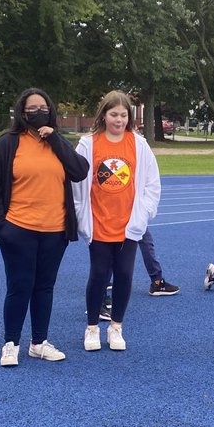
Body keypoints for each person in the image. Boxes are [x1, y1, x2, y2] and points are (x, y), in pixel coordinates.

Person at [0, 88, 89, 367]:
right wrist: (0, 224)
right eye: (31, 109)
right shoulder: (8, 143)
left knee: (44, 287)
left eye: (42, 107)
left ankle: (39, 342)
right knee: (19, 286)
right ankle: (11, 343)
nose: (37, 112)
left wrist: (54, 137)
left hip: (55, 230)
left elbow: (80, 171)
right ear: (21, 112)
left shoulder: (58, 143)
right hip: (18, 228)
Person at [73, 91, 161, 352]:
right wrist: (81, 217)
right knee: (99, 275)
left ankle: (116, 327)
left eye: (123, 115)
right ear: (104, 115)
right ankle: (91, 328)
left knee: (124, 275)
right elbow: (77, 183)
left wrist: (143, 215)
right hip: (99, 223)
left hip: (127, 226)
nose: (119, 120)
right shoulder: (88, 144)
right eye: (114, 114)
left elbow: (151, 185)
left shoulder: (139, 144)